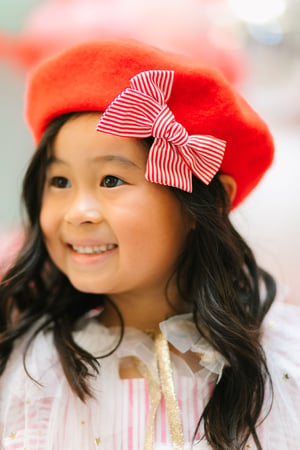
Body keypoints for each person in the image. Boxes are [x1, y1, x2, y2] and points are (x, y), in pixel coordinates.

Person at [0, 39, 299, 450]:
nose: (77, 212)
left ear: (204, 204)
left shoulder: (283, 363)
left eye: (110, 180)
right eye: (60, 182)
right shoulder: (32, 369)